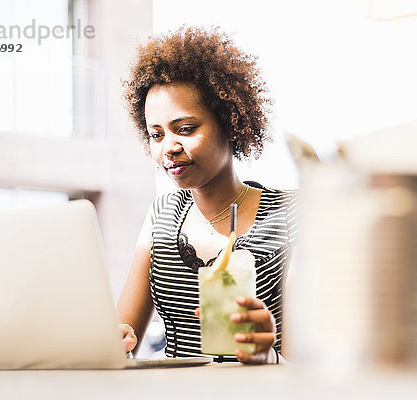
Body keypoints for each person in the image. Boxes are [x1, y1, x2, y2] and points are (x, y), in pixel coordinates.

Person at [117, 26, 298, 364]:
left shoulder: (290, 214)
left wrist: (266, 356)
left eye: (186, 129)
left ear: (229, 122)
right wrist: (112, 341)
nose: (169, 147)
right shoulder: (162, 214)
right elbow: (122, 339)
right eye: (156, 135)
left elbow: (309, 373)